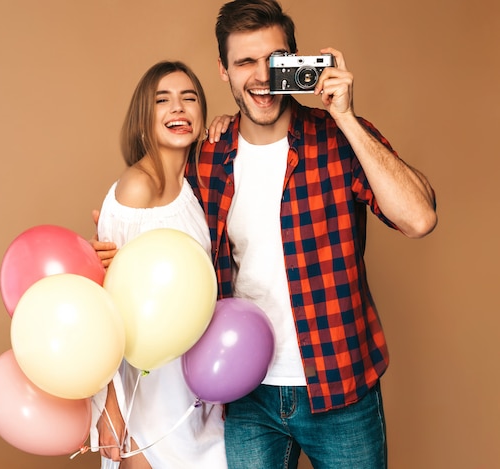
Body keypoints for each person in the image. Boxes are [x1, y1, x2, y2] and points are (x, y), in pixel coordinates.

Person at [93, 1, 437, 467]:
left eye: (274, 60)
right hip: (243, 392)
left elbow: (419, 219)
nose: (260, 77)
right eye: (244, 63)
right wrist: (118, 253)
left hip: (340, 386)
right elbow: (167, 226)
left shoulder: (338, 141)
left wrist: (347, 118)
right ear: (223, 70)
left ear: (295, 59)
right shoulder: (208, 157)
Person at [90, 61, 227, 469]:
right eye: (162, 100)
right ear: (143, 120)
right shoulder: (135, 187)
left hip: (193, 393)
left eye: (190, 99)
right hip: (145, 401)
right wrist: (112, 409)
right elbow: (107, 307)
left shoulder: (194, 189)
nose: (178, 109)